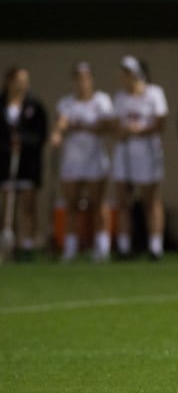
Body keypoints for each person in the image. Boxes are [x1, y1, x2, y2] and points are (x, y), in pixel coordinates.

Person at [50, 62, 114, 262]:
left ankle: (102, 246)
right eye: (78, 79)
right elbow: (62, 122)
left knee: (97, 203)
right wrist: (58, 133)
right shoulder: (67, 103)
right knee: (71, 204)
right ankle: (70, 247)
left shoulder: (101, 101)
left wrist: (87, 127)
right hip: (73, 161)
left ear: (91, 80)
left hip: (95, 160)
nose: (82, 83)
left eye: (85, 78)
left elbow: (108, 125)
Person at [111, 55, 168, 260]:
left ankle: (155, 246)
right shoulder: (120, 97)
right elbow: (115, 127)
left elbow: (160, 123)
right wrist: (125, 131)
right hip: (124, 151)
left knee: (150, 200)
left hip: (147, 152)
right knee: (123, 199)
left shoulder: (154, 94)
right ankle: (124, 246)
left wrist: (139, 130)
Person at [0, 67, 48, 261]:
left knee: (28, 205)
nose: (23, 84)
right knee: (4, 204)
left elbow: (40, 134)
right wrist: (7, 145)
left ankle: (27, 246)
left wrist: (23, 141)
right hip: (3, 162)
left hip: (27, 163)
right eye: (20, 80)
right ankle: (5, 245)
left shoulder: (34, 106)